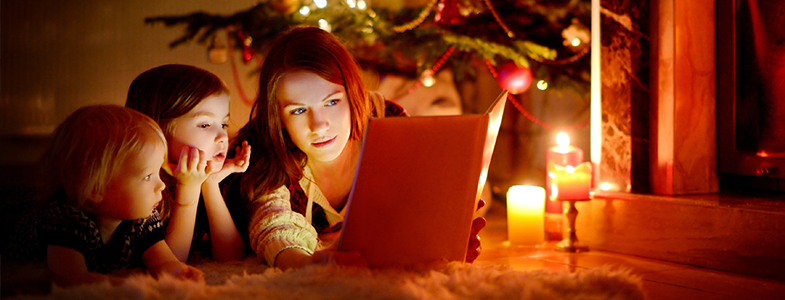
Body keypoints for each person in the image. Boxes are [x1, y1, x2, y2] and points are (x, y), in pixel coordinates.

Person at [229, 26, 486, 270]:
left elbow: (421, 191)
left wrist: (448, 232)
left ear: (353, 95)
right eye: (298, 110)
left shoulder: (385, 121)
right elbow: (273, 225)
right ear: (279, 117)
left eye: (332, 102)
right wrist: (305, 263)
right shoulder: (264, 149)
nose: (318, 125)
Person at [6, 105, 204, 287]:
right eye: (147, 176)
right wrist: (132, 287)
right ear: (95, 189)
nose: (161, 185)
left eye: (157, 174)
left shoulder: (142, 218)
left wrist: (179, 272)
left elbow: (164, 261)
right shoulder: (66, 218)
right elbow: (70, 278)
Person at [125, 64, 250, 262]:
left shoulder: (199, 177)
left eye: (224, 124)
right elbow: (171, 264)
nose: (222, 136)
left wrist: (209, 182)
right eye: (205, 125)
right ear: (159, 129)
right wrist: (189, 188)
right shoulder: (143, 187)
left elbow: (232, 256)